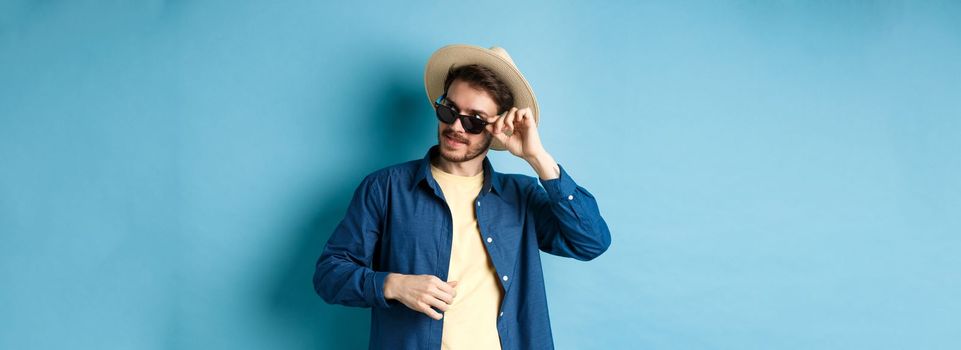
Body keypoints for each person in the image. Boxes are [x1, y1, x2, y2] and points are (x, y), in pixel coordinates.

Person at [313, 44, 612, 350]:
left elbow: (591, 241)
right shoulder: (385, 188)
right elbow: (329, 275)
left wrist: (538, 158)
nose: (456, 127)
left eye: (474, 120)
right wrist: (393, 284)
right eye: (449, 110)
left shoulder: (521, 196)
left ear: (497, 127)